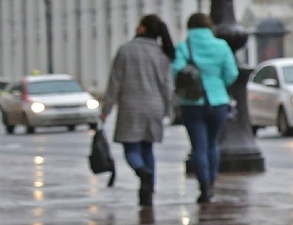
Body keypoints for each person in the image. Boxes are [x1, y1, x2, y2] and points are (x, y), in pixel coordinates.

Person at [102, 14, 176, 207]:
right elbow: (167, 86)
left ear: (142, 29)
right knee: (147, 147)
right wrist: (169, 109)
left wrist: (106, 109)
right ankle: (148, 189)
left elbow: (114, 83)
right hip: (154, 107)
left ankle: (142, 172)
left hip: (131, 106)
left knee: (131, 149)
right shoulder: (162, 54)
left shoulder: (125, 51)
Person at [171, 13, 238, 205]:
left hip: (192, 103)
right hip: (218, 102)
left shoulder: (185, 47)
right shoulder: (221, 46)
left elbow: (176, 72)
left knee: (198, 147)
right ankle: (212, 182)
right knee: (212, 143)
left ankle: (204, 186)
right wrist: (218, 85)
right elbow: (231, 73)